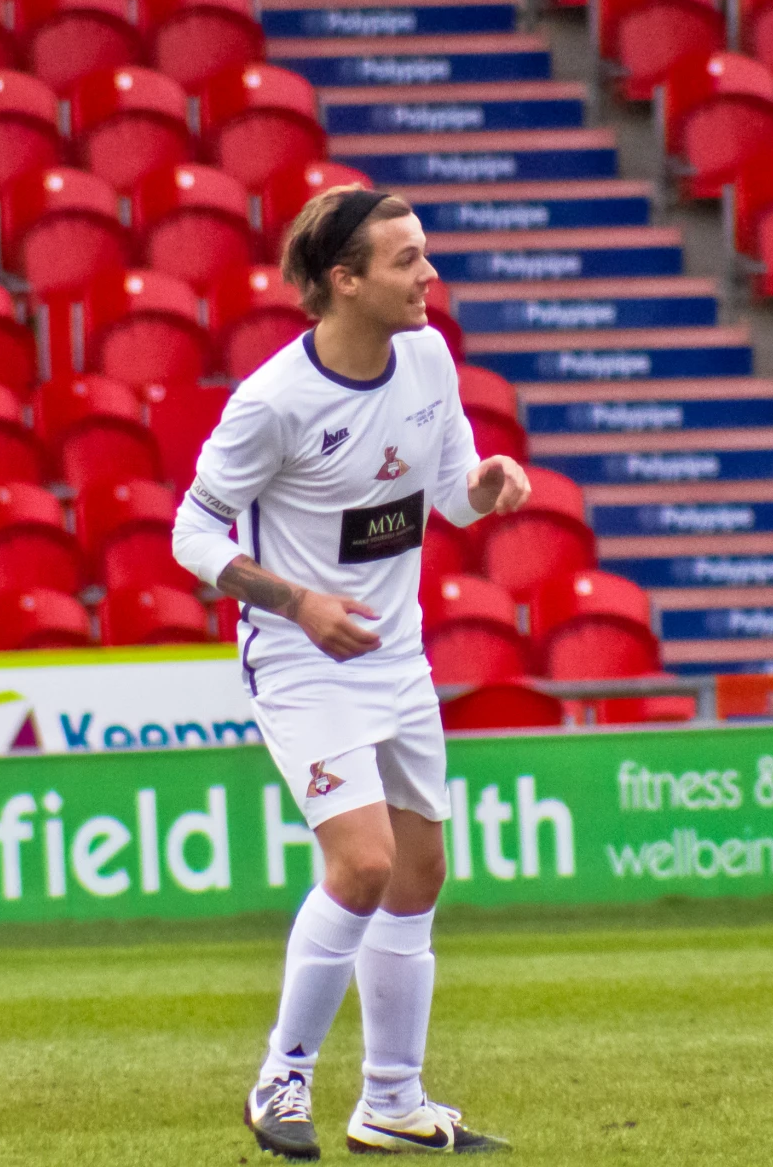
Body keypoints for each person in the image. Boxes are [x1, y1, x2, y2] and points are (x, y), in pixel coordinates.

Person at [172, 184, 532, 1159]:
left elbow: (450, 493)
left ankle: (391, 1103)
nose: (428, 275)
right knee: (364, 863)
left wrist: (487, 484)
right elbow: (190, 530)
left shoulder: (427, 356)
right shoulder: (274, 402)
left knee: (419, 871)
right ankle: (278, 1081)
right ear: (343, 280)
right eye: (405, 259)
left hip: (397, 651)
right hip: (302, 655)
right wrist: (295, 600)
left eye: (423, 252)